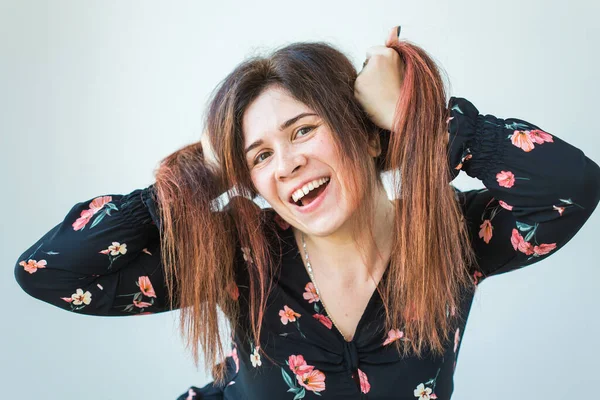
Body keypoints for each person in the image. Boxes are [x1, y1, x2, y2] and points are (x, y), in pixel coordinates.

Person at [14, 26, 600, 400]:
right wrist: (205, 173)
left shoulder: (448, 234)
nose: (287, 163)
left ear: (369, 137)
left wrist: (415, 116)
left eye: (304, 131)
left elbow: (571, 186)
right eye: (261, 155)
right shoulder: (239, 254)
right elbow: (49, 272)